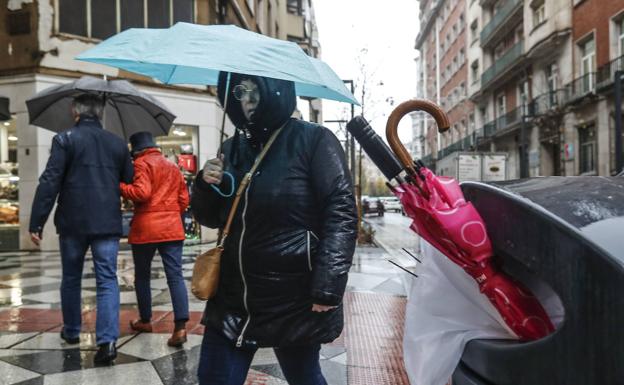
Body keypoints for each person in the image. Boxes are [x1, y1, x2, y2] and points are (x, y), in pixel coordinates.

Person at [192, 72, 358, 385]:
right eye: (240, 91)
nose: (247, 100)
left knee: (304, 376)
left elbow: (341, 212)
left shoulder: (313, 140)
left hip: (291, 297)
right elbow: (211, 218)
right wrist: (205, 184)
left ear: (278, 92)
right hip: (232, 297)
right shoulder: (231, 148)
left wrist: (328, 285)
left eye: (257, 90)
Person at [29, 93, 134, 364]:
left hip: (72, 222)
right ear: (100, 114)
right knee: (107, 279)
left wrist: (37, 222)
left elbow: (50, 181)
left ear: (74, 111)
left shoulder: (64, 139)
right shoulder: (117, 143)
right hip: (107, 222)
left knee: (72, 278)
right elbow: (129, 178)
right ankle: (107, 342)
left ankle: (73, 330)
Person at [120, 131, 190, 347]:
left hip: (146, 229)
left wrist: (120, 186)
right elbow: (184, 200)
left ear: (137, 150)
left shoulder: (141, 163)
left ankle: (145, 320)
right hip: (171, 227)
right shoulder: (172, 166)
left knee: (142, 276)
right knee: (175, 276)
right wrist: (169, 214)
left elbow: (142, 193)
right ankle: (180, 328)